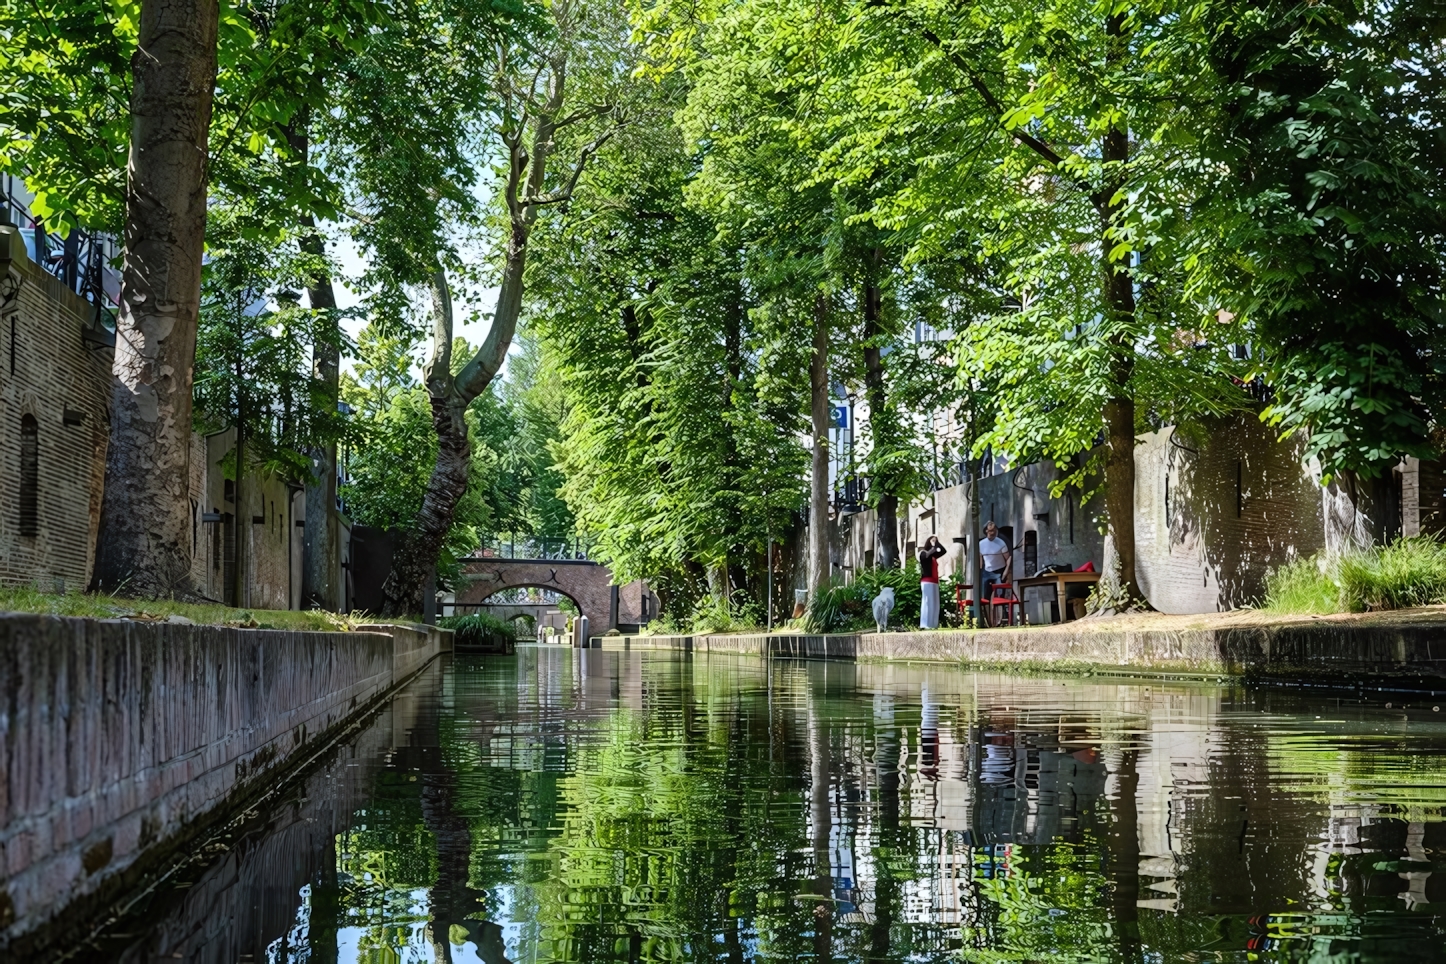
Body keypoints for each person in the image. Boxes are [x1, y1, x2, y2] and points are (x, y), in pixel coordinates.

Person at [978, 521, 1012, 627]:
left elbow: (1008, 557)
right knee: (985, 597)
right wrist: (980, 571)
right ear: (986, 531)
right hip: (987, 571)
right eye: (990, 530)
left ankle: (999, 620)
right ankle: (987, 622)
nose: (992, 532)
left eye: (994, 530)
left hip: (999, 570)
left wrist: (1006, 571)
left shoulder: (1001, 543)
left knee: (999, 596)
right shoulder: (981, 544)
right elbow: (980, 559)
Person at [918, 535, 947, 629]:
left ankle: (933, 624)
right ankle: (925, 624)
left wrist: (937, 543)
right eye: (932, 541)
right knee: (927, 603)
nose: (934, 542)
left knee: (935, 604)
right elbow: (926, 556)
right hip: (927, 581)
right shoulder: (923, 553)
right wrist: (934, 546)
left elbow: (943, 551)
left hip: (934, 581)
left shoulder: (933, 555)